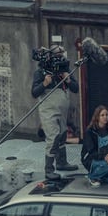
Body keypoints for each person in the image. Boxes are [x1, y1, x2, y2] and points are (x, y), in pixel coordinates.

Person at [31, 44, 79, 178]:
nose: (61, 59)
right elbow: (34, 93)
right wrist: (44, 84)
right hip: (48, 110)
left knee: (63, 133)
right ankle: (49, 170)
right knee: (53, 137)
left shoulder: (65, 70)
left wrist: (68, 79)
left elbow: (76, 88)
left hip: (62, 109)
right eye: (58, 56)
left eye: (62, 56)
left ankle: (62, 162)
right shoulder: (40, 72)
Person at [81, 105, 108, 187]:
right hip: (91, 159)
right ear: (97, 117)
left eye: (107, 115)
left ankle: (99, 176)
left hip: (105, 159)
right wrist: (106, 158)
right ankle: (92, 177)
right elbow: (91, 151)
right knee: (106, 166)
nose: (105, 117)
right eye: (102, 115)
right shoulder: (90, 131)